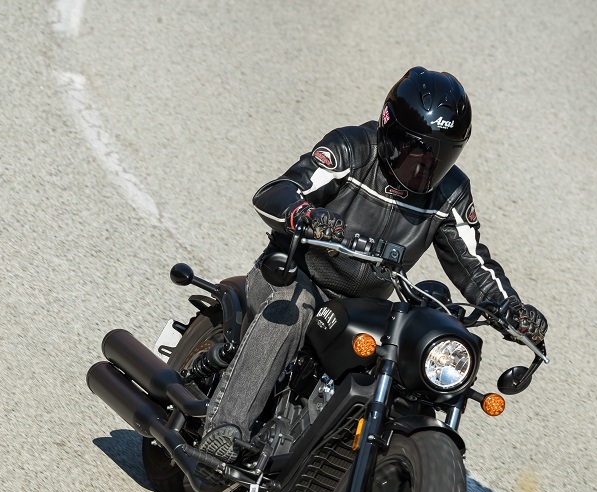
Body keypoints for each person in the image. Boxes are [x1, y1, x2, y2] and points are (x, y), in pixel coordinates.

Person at [199, 67, 548, 462]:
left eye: (441, 155)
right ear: (390, 130)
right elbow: (276, 191)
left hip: (366, 303)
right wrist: (304, 216)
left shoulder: (450, 192)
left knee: (410, 356)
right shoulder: (351, 148)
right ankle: (223, 431)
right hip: (296, 275)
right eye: (418, 150)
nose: (426, 167)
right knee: (291, 313)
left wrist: (512, 309)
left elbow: (473, 262)